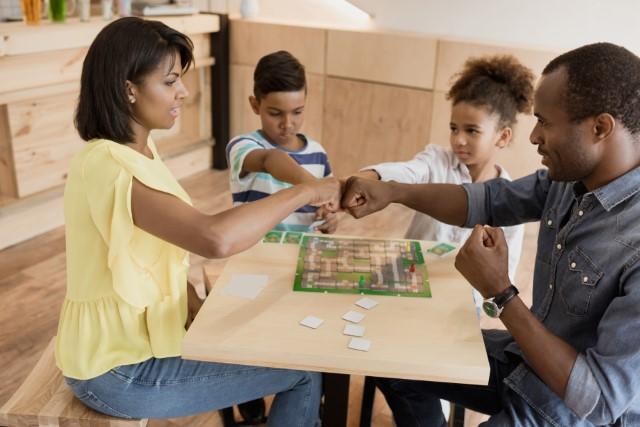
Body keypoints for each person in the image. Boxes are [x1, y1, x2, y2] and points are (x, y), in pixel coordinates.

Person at [56, 17, 339, 425]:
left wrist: (200, 310)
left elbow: (152, 258)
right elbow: (213, 239)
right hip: (117, 371)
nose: (183, 92)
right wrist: (308, 190)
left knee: (286, 347)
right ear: (128, 89)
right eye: (170, 81)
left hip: (133, 349)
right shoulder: (109, 164)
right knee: (301, 371)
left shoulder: (139, 151)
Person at [341, 42, 640, 426]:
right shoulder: (569, 180)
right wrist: (395, 192)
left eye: (545, 122)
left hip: (568, 412)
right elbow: (486, 201)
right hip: (523, 363)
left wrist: (501, 293)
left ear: (600, 127)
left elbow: (597, 401)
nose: (533, 137)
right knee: (391, 356)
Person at [354, 55, 532, 284]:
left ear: (502, 136)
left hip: (458, 299)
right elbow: (407, 172)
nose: (458, 140)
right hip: (406, 278)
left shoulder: (512, 200)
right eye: (453, 128)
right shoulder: (437, 161)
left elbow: (506, 271)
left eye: (472, 130)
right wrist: (363, 179)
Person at [226, 50, 338, 234]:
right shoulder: (242, 146)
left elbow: (325, 204)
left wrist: (329, 217)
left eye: (297, 112)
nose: (287, 124)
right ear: (255, 105)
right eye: (275, 113)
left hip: (300, 253)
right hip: (254, 254)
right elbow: (270, 160)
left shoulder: (318, 154)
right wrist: (312, 185)